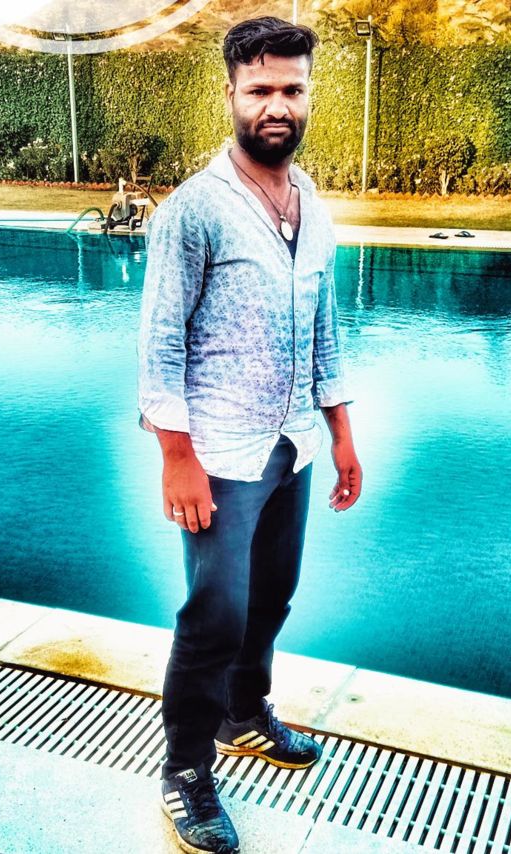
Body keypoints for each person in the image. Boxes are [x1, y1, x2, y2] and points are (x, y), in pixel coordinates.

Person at [137, 16, 362, 854]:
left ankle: (241, 713)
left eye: (292, 89)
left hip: (293, 446)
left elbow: (325, 331)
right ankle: (185, 771)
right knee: (215, 615)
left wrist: (341, 434)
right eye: (261, 89)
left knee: (272, 597)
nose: (277, 105)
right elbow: (160, 343)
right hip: (220, 456)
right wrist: (177, 458)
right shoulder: (194, 211)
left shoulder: (314, 207)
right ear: (231, 92)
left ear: (308, 96)